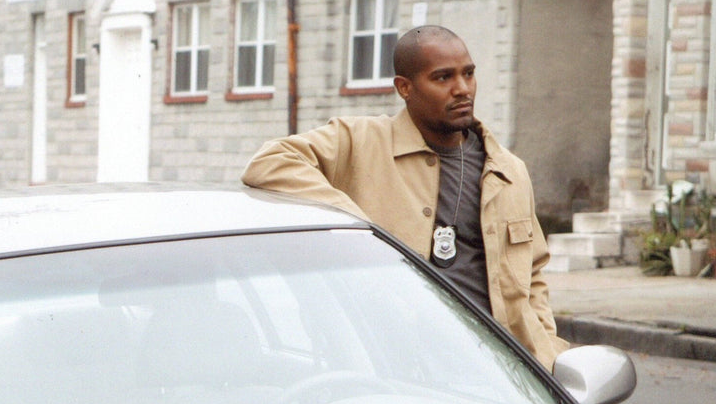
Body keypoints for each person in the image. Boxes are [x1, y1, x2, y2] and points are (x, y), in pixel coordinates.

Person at [242, 25, 567, 368]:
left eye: (468, 74)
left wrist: (548, 347)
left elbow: (533, 273)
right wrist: (359, 226)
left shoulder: (508, 170)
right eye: (443, 78)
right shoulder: (361, 141)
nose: (462, 89)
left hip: (500, 372)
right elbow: (269, 162)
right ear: (405, 88)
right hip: (394, 367)